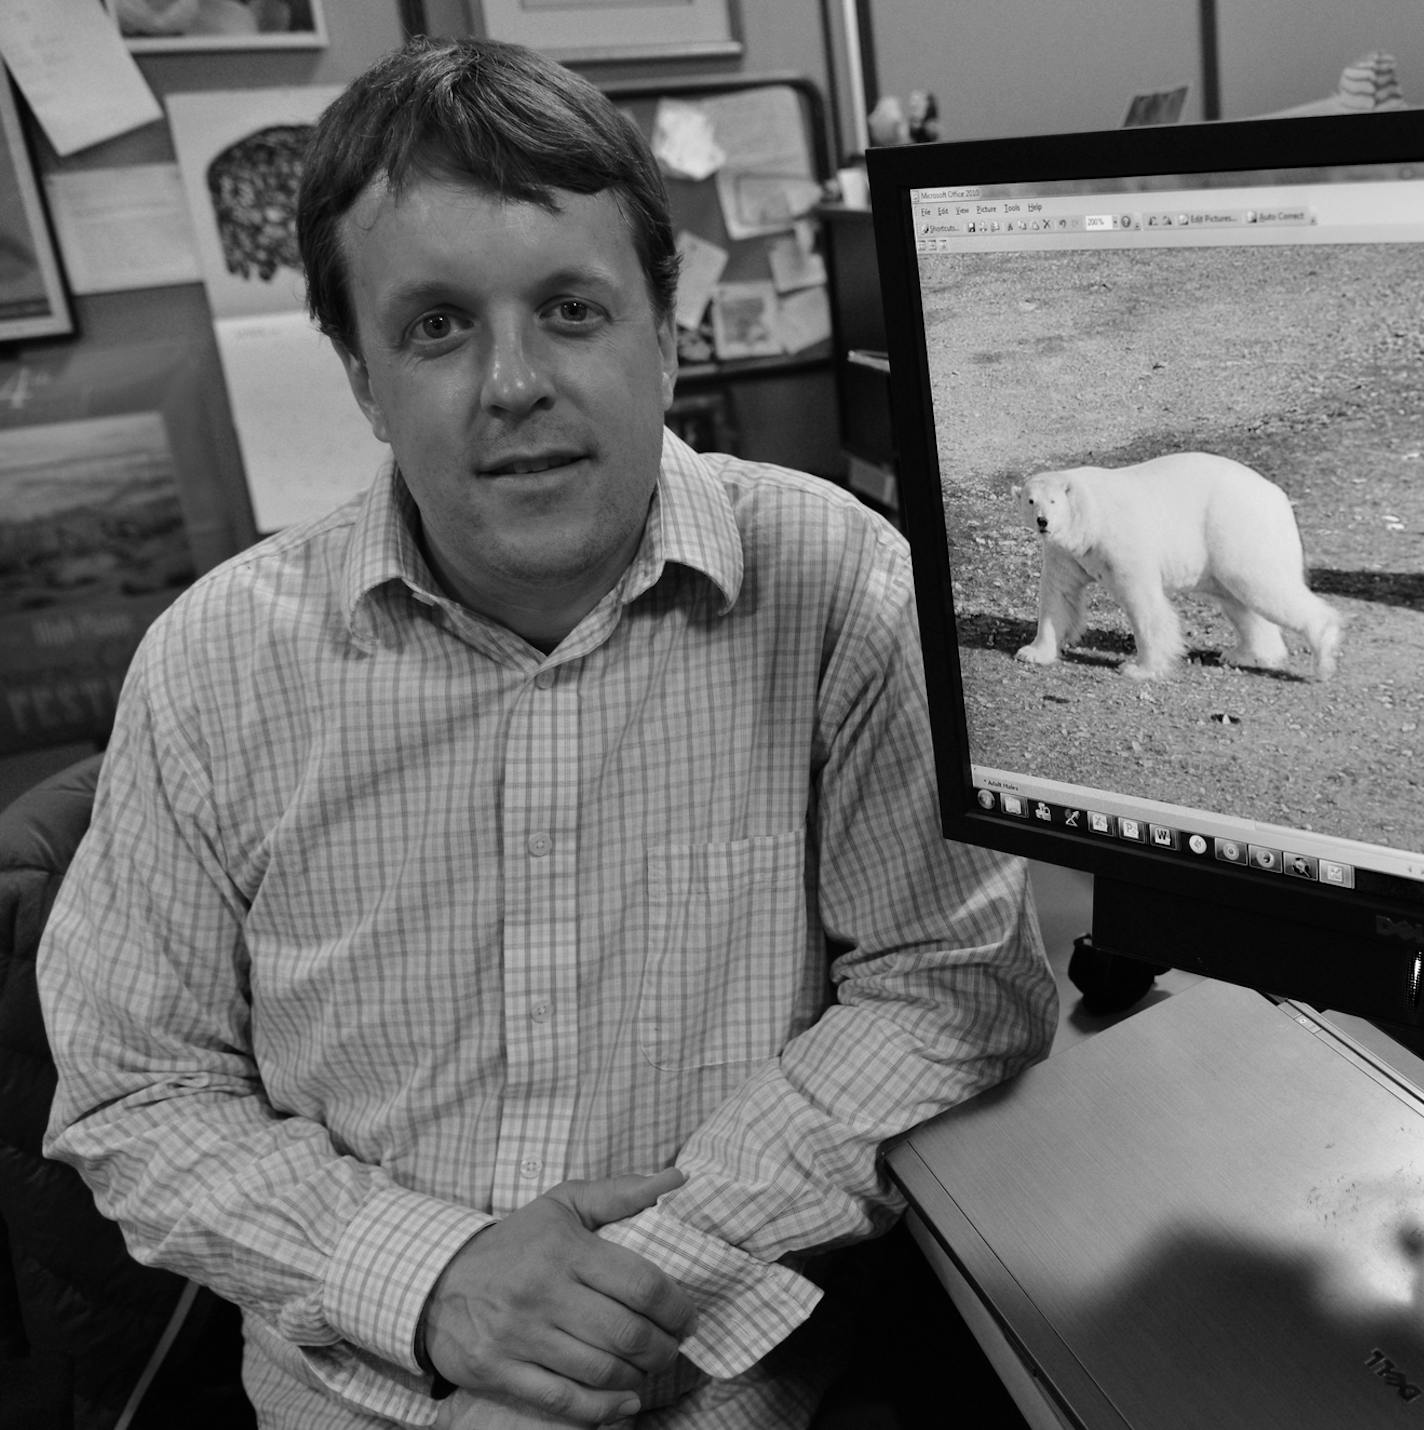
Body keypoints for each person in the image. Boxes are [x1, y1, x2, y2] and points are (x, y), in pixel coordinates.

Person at [39, 35, 1056, 1430]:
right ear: (359, 372)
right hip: (360, 1392)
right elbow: (133, 1087)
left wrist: (620, 1300)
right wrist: (435, 1280)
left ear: (668, 318)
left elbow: (950, 983)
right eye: (438, 325)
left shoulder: (835, 587)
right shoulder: (212, 667)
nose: (511, 381)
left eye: (571, 309)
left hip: (715, 1368)